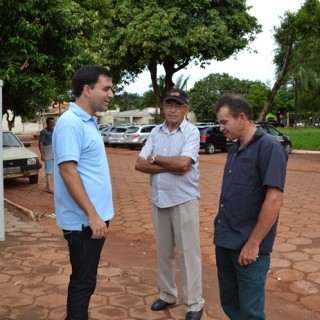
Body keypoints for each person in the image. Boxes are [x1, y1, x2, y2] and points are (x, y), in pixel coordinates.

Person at [213, 93, 288, 320]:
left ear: (242, 118)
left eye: (224, 122)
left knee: (251, 312)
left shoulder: (269, 148)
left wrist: (253, 244)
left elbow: (274, 200)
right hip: (225, 240)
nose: (221, 128)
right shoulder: (234, 149)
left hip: (249, 247)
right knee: (230, 304)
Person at [135, 88, 205, 320]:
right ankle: (167, 294)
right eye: (169, 105)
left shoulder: (191, 132)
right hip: (159, 199)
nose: (173, 109)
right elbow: (139, 164)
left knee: (188, 253)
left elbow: (184, 164)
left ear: (186, 109)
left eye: (178, 105)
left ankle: (194, 303)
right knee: (164, 252)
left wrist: (155, 158)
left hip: (184, 200)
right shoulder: (156, 132)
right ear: (163, 108)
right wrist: (168, 164)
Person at [53, 65, 114, 320]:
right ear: (87, 90)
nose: (111, 94)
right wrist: (92, 215)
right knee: (83, 282)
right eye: (106, 88)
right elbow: (68, 172)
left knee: (85, 279)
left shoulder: (88, 121)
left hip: (93, 219)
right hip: (85, 222)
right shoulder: (70, 123)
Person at [39, 116, 55, 193]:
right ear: (47, 123)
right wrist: (42, 154)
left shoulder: (54, 131)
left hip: (54, 153)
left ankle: (48, 186)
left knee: (53, 170)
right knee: (49, 170)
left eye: (53, 123)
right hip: (47, 152)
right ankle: (49, 188)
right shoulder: (43, 132)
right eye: (51, 123)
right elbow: (40, 143)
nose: (53, 124)